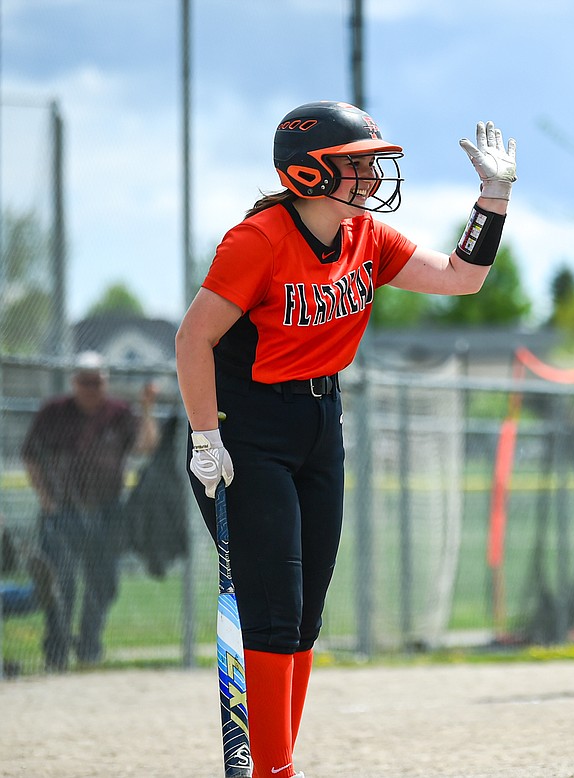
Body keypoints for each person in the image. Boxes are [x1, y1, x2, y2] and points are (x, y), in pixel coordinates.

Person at [175, 101, 515, 778]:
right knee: (273, 614)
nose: (369, 176)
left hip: (320, 423)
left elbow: (462, 278)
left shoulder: (367, 235)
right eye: (354, 164)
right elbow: (193, 338)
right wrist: (206, 437)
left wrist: (493, 198)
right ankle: (277, 771)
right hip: (248, 431)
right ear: (307, 172)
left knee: (303, 618)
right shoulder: (259, 239)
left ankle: (276, 761)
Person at [21, 351, 159, 670]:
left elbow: (145, 445)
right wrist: (45, 498)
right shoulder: (54, 413)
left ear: (105, 382)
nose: (91, 389)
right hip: (63, 511)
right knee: (59, 582)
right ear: (74, 383)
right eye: (85, 382)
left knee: (103, 582)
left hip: (107, 511)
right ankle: (56, 652)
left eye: (97, 382)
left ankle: (88, 648)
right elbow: (30, 455)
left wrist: (147, 407)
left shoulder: (118, 413)